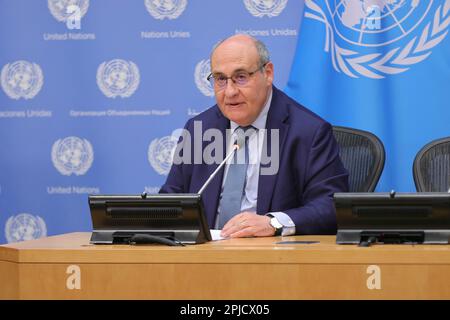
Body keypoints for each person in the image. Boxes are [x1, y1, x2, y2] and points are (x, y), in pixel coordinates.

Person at [160, 34, 348, 238]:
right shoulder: (199, 129)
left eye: (241, 77)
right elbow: (171, 199)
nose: (230, 92)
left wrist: (274, 222)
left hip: (273, 259)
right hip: (203, 257)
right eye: (221, 79)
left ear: (267, 73)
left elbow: (331, 206)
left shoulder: (308, 132)